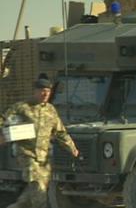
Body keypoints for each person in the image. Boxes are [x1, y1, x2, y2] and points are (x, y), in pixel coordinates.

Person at [0, 78, 79, 208]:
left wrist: (72, 147)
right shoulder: (22, 107)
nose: (45, 94)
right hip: (27, 154)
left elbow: (60, 132)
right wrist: (2, 134)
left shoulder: (51, 110)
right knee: (37, 187)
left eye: (48, 91)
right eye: (42, 91)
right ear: (35, 91)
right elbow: (3, 118)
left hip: (44, 158)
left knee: (35, 192)